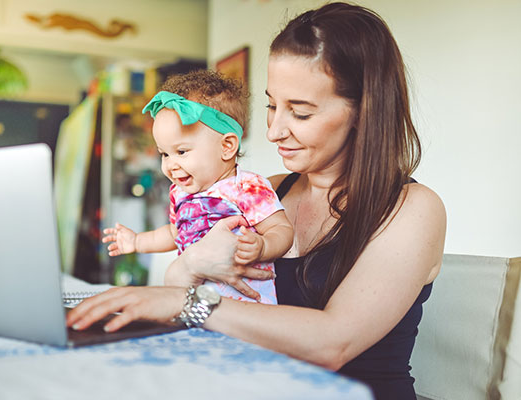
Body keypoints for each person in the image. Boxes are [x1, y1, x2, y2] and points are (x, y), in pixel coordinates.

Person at [68, 3, 446, 399]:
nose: (274, 131)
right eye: (270, 106)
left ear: (363, 111)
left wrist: (192, 301)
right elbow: (183, 283)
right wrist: (190, 267)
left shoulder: (412, 209)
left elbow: (331, 344)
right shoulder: (267, 190)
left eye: (299, 113)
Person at [102, 70, 294, 304]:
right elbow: (174, 233)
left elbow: (282, 230)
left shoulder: (246, 187)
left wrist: (263, 246)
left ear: (227, 147)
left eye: (181, 152)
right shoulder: (180, 194)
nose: (170, 165)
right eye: (164, 154)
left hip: (247, 308)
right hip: (196, 304)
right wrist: (137, 241)